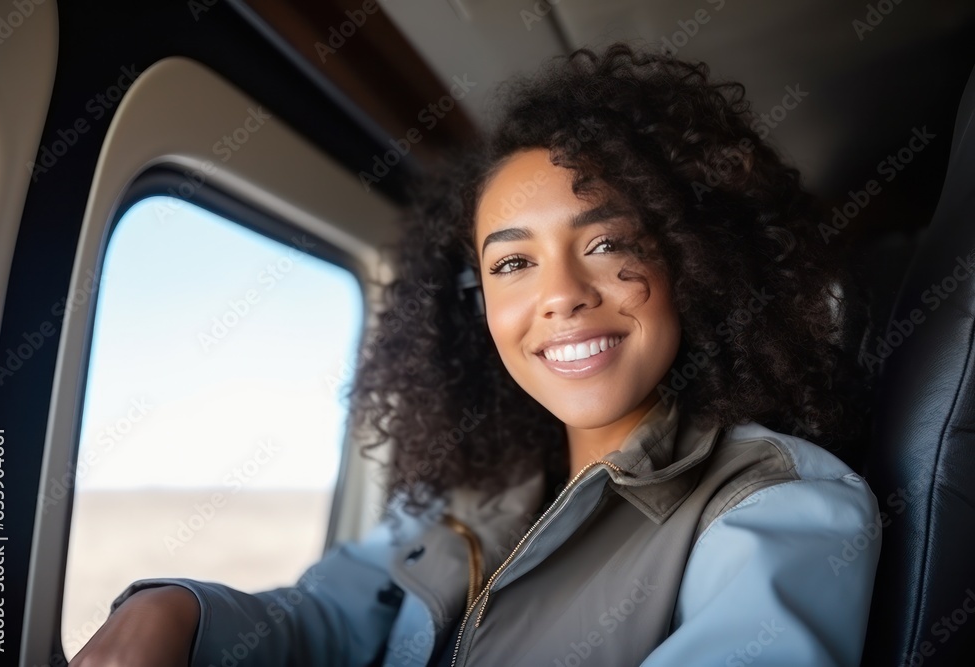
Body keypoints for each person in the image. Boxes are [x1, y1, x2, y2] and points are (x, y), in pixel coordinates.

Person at [71, 43, 881, 666]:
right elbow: (326, 617)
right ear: (480, 304)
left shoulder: (778, 504)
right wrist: (179, 608)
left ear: (694, 263)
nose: (560, 293)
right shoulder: (471, 489)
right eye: (513, 262)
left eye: (605, 243)